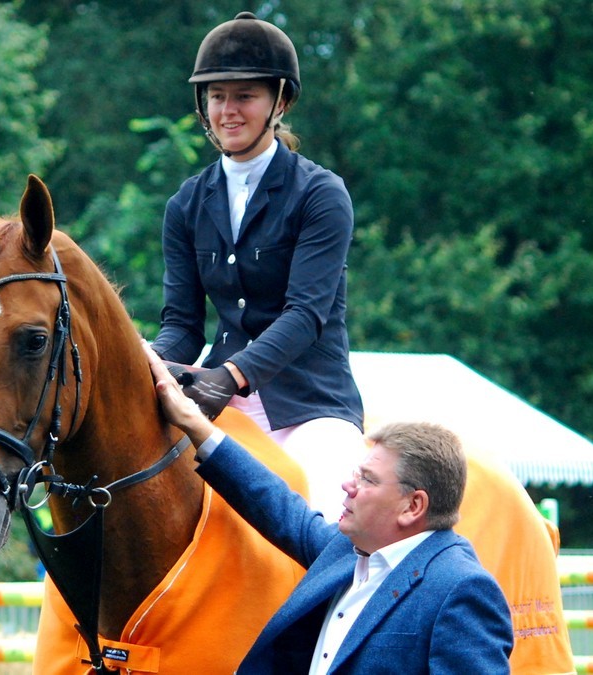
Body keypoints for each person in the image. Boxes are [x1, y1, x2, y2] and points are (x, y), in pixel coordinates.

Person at [144, 343, 513, 673]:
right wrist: (192, 423)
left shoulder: (461, 589)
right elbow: (273, 503)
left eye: (368, 480)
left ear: (412, 506)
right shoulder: (346, 551)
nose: (348, 486)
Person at [150, 11, 364, 521]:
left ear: (280, 101)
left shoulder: (319, 193)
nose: (228, 110)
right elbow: (182, 325)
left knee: (334, 523)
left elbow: (306, 315)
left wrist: (232, 374)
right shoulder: (186, 204)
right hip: (220, 401)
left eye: (244, 95)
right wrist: (152, 363)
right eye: (217, 96)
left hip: (310, 405)